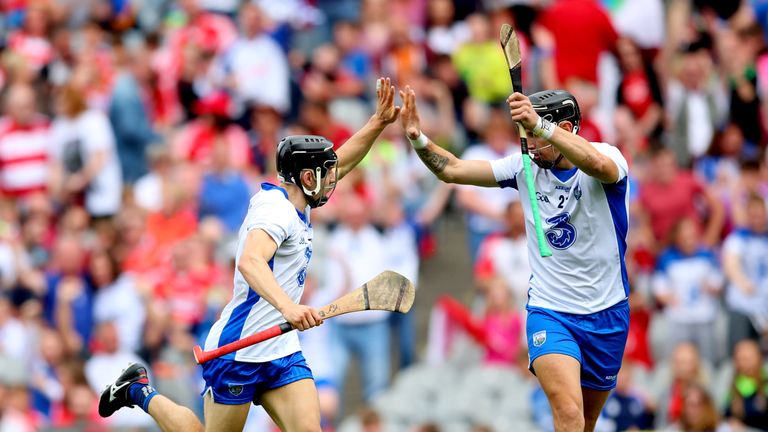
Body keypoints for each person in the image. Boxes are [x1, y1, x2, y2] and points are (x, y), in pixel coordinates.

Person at [96, 77, 401, 432]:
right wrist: (289, 308)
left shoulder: (299, 199)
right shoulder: (276, 212)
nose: (332, 179)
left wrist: (377, 123)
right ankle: (138, 391)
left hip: (280, 347)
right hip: (239, 349)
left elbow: (342, 163)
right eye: (323, 174)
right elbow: (250, 261)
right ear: (306, 177)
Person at [400, 86, 630, 432]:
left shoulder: (606, 156)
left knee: (586, 421)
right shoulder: (523, 168)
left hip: (607, 311)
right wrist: (419, 139)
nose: (529, 144)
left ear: (564, 130)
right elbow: (453, 170)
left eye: (535, 136)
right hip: (551, 311)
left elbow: (596, 164)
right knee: (568, 413)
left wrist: (539, 124)